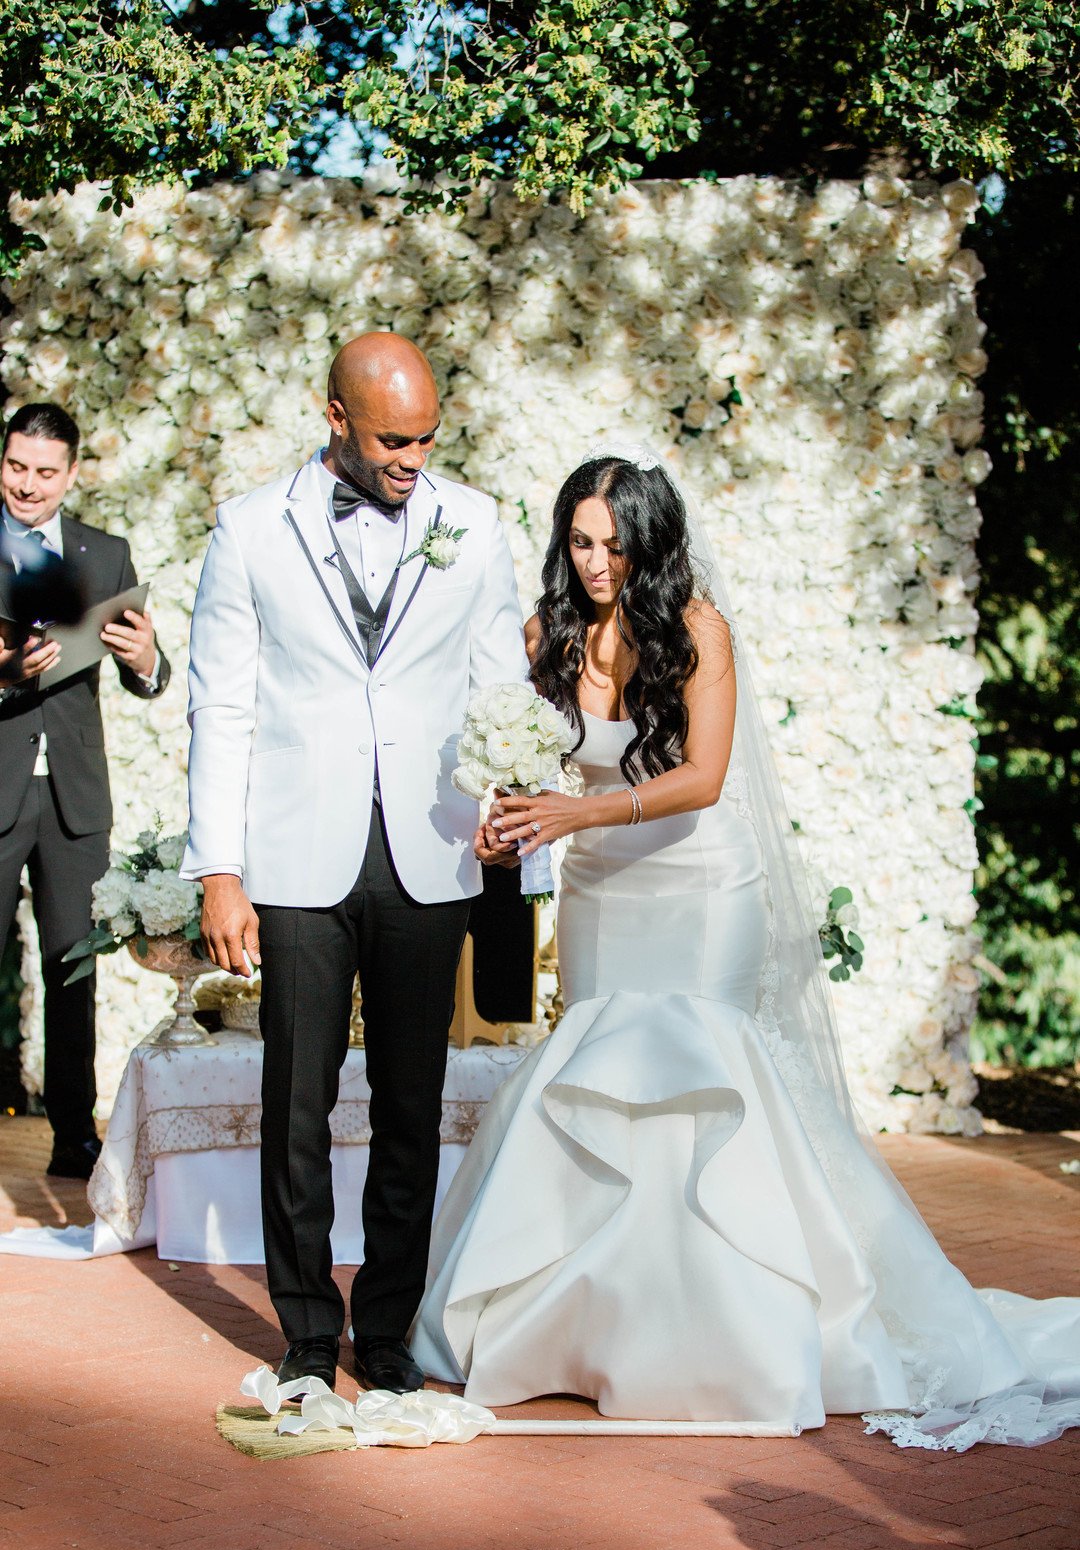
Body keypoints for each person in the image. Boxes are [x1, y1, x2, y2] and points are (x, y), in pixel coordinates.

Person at [412, 444, 1080, 1450]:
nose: (597, 561)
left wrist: (577, 810)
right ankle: (602, 1328)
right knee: (597, 1086)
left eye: (615, 542)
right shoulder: (544, 634)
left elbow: (705, 778)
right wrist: (508, 815)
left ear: (651, 541)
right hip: (601, 888)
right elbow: (527, 763)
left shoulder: (697, 631)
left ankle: (740, 1329)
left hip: (701, 886)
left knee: (705, 1081)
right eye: (581, 541)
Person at [181, 332, 528, 1396]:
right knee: (297, 1100)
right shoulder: (248, 529)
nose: (414, 458)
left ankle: (385, 1330)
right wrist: (219, 870)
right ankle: (299, 1328)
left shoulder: (474, 525)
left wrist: (508, 807)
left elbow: (499, 683)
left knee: (412, 1105)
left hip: (430, 848)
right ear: (334, 417)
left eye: (428, 436)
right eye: (392, 438)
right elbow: (221, 706)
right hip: (293, 856)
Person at [0, 403, 170, 1180]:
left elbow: (148, 675)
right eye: (14, 467)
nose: (26, 486)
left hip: (73, 796)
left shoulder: (106, 554)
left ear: (71, 475)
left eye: (44, 472)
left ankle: (74, 1134)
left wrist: (146, 661)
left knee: (74, 965)